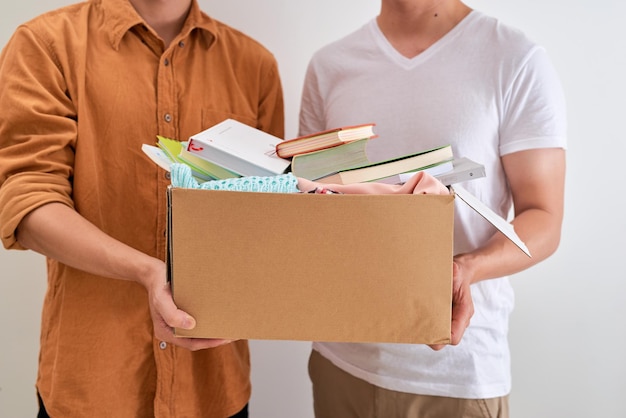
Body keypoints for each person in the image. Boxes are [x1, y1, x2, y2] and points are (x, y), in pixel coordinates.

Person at [0, 0, 284, 416]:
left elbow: (267, 213)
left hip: (213, 387)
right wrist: (146, 271)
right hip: (93, 385)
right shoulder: (46, 43)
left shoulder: (253, 63)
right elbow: (26, 199)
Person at [298, 0, 566, 416]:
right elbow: (310, 206)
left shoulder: (514, 58)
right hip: (340, 360)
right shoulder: (329, 65)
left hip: (455, 373)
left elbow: (544, 217)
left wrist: (467, 267)